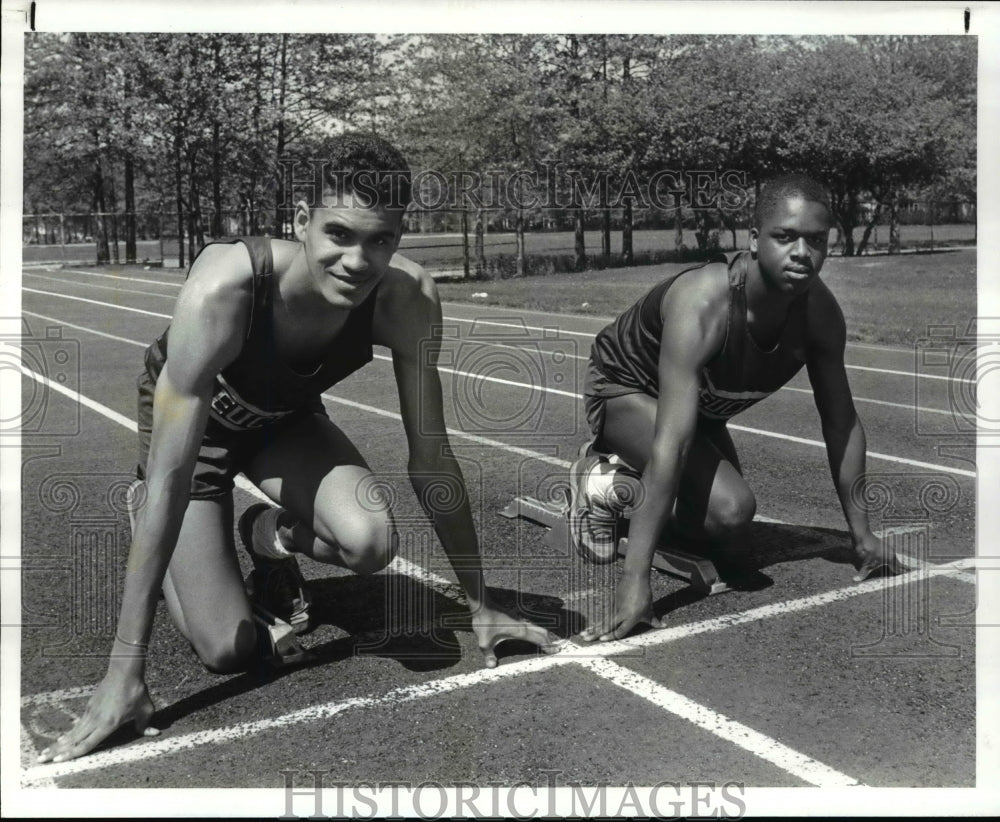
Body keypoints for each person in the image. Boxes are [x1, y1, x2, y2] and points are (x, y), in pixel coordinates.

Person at [37, 134, 557, 764]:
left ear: (399, 238)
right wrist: (125, 674)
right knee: (228, 650)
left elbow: (432, 456)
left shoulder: (408, 299)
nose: (358, 261)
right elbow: (175, 476)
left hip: (284, 417)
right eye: (339, 233)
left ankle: (266, 535)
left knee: (371, 542)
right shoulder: (226, 288)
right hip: (196, 437)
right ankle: (138, 506)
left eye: (381, 240)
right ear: (302, 222)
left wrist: (480, 604)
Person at [569, 173, 903, 642]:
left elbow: (841, 423)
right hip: (625, 388)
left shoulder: (820, 316)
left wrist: (861, 534)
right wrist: (635, 582)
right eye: (784, 237)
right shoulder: (705, 303)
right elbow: (673, 443)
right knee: (733, 508)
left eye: (816, 240)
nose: (802, 254)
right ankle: (603, 483)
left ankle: (637, 493)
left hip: (696, 408)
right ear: (752, 239)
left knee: (728, 536)